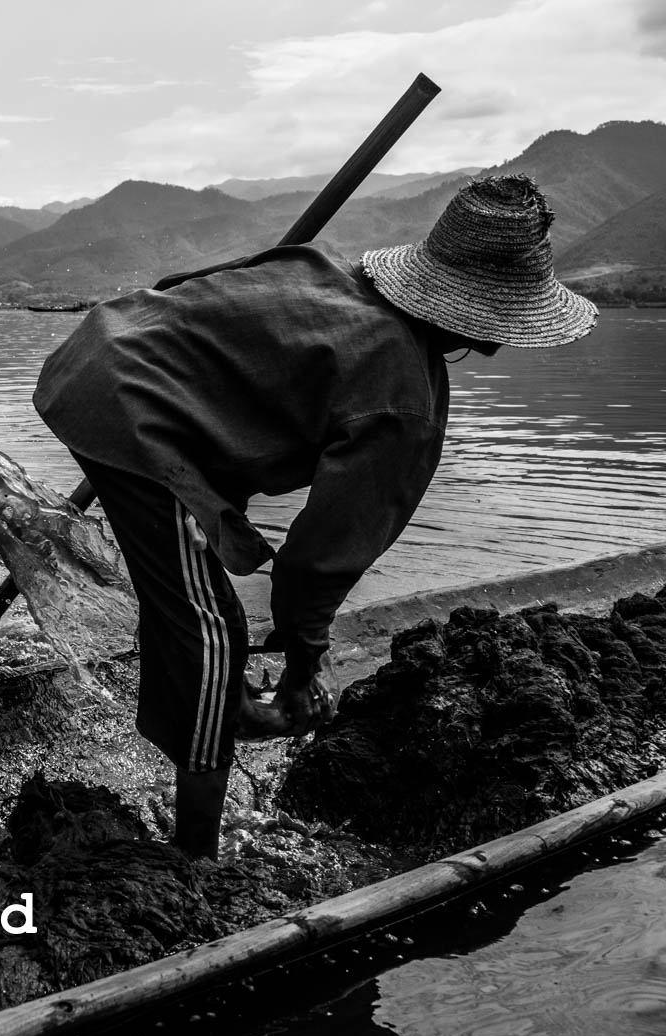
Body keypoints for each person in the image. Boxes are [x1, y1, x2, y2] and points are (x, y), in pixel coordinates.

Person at [32, 174, 597, 860]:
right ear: (490, 321)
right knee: (208, 630)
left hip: (103, 352)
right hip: (132, 409)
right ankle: (196, 860)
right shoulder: (401, 402)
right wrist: (306, 664)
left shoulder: (327, 269)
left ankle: (225, 712)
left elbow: (195, 302)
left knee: (190, 592)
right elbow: (317, 561)